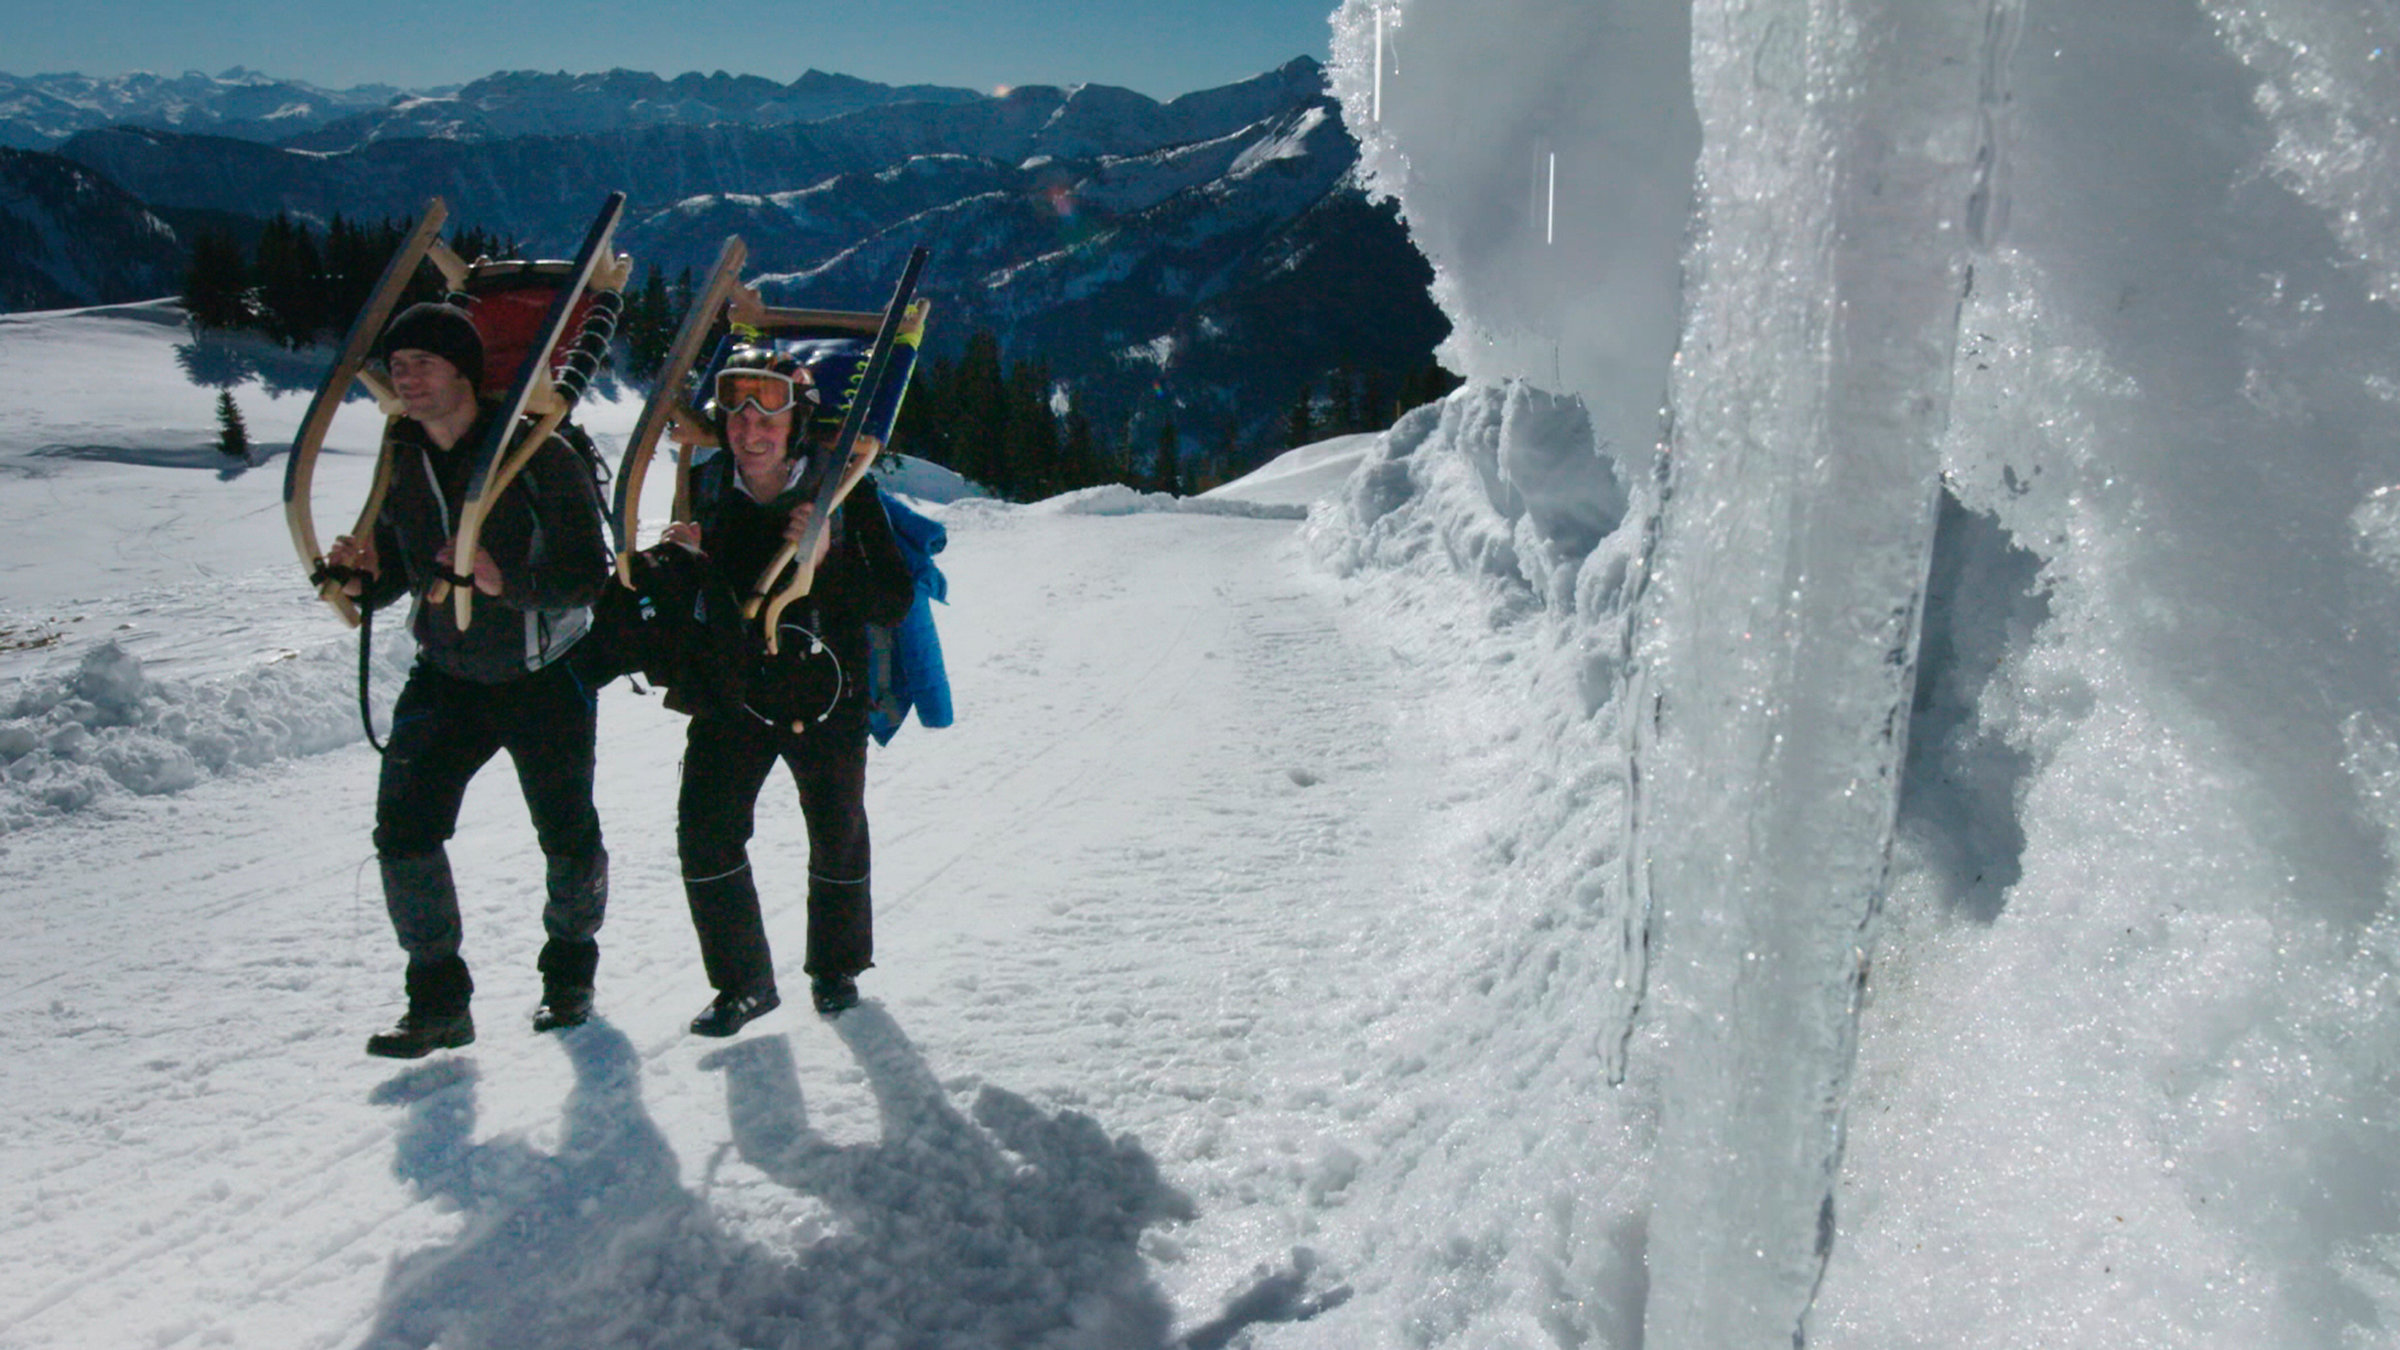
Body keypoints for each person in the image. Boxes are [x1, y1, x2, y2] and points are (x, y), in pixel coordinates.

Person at [325, 301, 613, 1057]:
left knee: (566, 833)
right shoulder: (403, 456)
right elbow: (400, 568)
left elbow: (589, 575)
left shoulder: (540, 454)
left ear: (463, 372)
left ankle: (569, 977)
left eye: (422, 363)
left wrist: (504, 582)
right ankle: (438, 1004)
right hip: (447, 674)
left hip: (542, 675)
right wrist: (360, 581)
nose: (405, 378)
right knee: (403, 832)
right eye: (397, 366)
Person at [659, 344, 914, 1034]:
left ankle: (836, 968)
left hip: (826, 695)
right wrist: (681, 564)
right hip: (736, 691)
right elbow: (700, 603)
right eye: (737, 415)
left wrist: (825, 558)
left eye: (768, 414)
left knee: (836, 832)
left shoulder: (843, 491)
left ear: (796, 422)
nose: (750, 430)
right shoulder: (708, 487)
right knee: (704, 833)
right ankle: (743, 984)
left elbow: (891, 599)